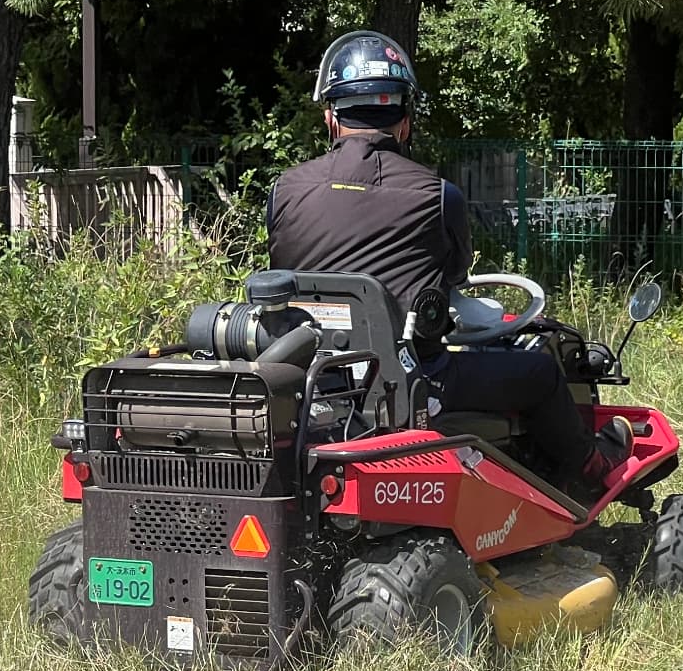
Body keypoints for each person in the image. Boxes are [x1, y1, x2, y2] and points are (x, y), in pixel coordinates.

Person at [266, 29, 626, 492]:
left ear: (331, 118)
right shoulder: (438, 196)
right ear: (405, 120)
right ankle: (589, 473)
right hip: (411, 385)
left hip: (315, 380)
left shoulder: (283, 191)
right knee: (538, 371)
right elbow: (453, 279)